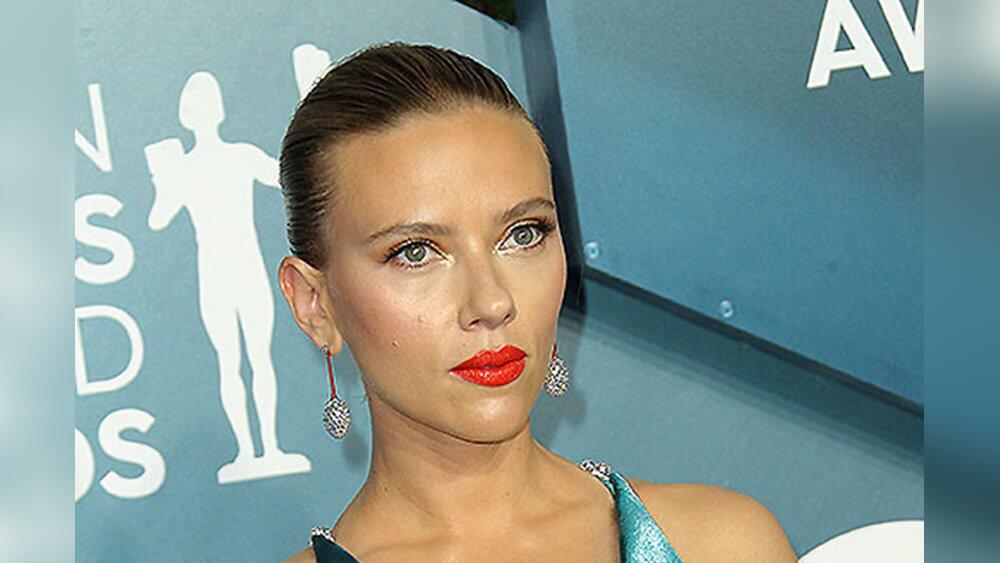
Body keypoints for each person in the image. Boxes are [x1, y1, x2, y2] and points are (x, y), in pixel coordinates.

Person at [276, 41, 797, 562]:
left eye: (523, 235)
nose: (492, 302)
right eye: (416, 252)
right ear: (315, 305)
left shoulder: (722, 544)